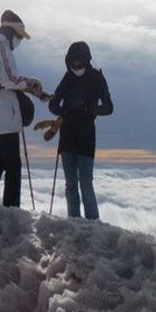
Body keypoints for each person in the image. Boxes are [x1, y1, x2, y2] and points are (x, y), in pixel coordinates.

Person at [0, 10, 47, 207]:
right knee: (13, 167)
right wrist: (29, 82)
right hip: (3, 117)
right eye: (19, 36)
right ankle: (11, 212)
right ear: (10, 31)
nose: (19, 41)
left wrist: (27, 87)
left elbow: (1, 79)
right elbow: (7, 78)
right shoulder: (0, 46)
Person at [48, 42, 114, 220]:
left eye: (79, 64)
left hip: (85, 138)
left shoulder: (96, 78)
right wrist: (64, 111)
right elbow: (53, 103)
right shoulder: (68, 77)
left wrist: (92, 109)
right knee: (71, 185)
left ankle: (92, 225)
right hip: (68, 137)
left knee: (85, 184)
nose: (76, 68)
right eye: (72, 65)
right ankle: (74, 223)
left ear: (86, 61)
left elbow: (109, 107)